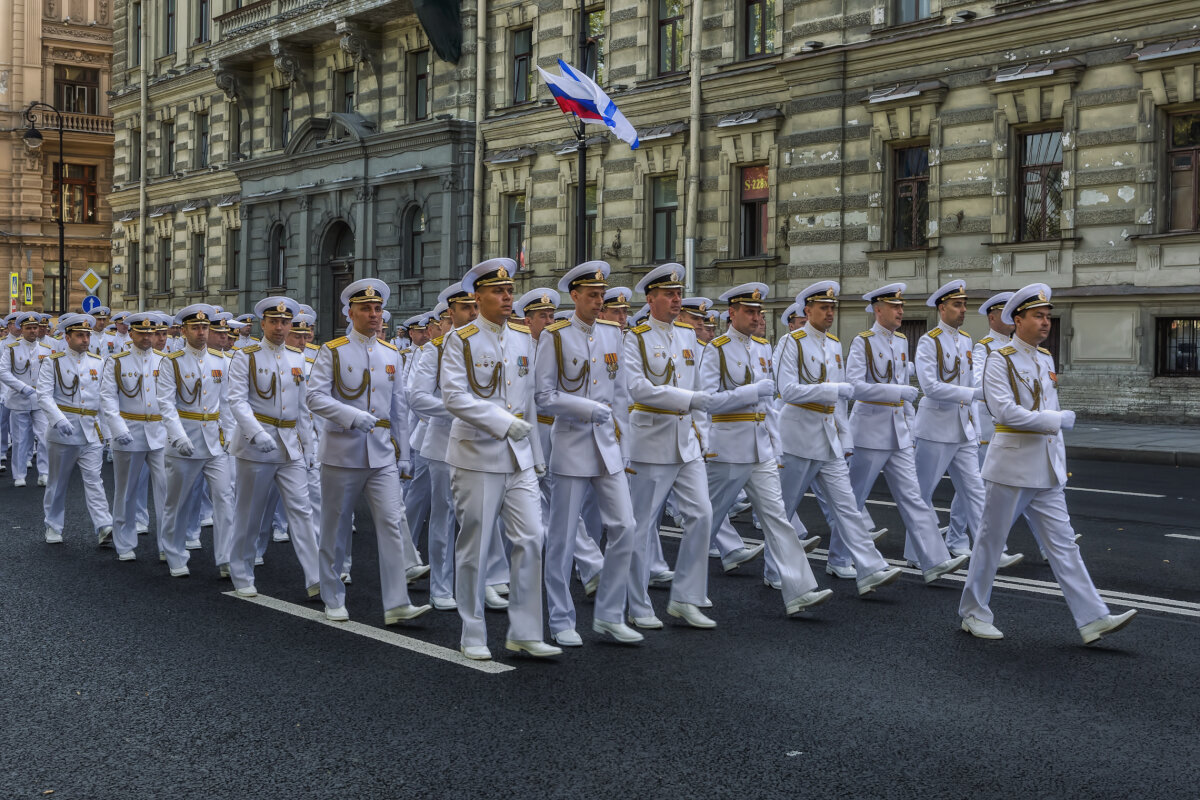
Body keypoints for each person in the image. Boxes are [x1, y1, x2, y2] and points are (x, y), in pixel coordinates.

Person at [959, 283, 1136, 644]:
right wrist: (1055, 420)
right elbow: (1004, 411)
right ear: (1017, 319)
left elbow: (1043, 406)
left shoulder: (1044, 359)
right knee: (990, 543)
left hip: (1046, 467)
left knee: (1064, 544)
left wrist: (1054, 430)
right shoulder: (1000, 358)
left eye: (1048, 316)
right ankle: (974, 613)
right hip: (1011, 465)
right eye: (1038, 316)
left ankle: (1092, 618)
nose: (1045, 322)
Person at [440, 258, 560, 661]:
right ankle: (472, 631)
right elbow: (455, 397)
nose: (506, 298)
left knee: (531, 538)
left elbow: (527, 402)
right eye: (497, 291)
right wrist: (503, 424)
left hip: (520, 457)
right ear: (478, 296)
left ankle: (525, 630)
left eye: (509, 291)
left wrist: (537, 455)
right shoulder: (461, 339)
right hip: (477, 455)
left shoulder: (525, 338)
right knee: (475, 545)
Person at [700, 283, 834, 616]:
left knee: (778, 520)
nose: (756, 317)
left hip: (760, 449)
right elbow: (707, 401)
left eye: (759, 311)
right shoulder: (716, 349)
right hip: (727, 449)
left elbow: (770, 405)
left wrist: (777, 443)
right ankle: (685, 591)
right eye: (749, 311)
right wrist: (748, 393)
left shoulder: (762, 347)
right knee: (705, 523)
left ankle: (799, 591)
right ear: (732, 313)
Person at [306, 279, 430, 625]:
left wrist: (404, 453)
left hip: (381, 454)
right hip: (342, 452)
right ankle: (332, 595)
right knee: (335, 525)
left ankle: (396, 602)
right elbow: (314, 397)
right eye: (366, 309)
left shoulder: (391, 354)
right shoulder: (333, 350)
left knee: (391, 523)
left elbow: (399, 407)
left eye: (377, 309)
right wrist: (351, 416)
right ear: (351, 312)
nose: (374, 315)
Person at [536, 261, 644, 646]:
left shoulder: (615, 334)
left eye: (602, 295)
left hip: (608, 447)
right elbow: (544, 396)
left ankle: (610, 614)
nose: (600, 302)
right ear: (575, 297)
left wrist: (625, 446)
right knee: (563, 539)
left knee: (625, 528)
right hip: (571, 444)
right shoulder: (556, 336)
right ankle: (562, 619)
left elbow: (620, 396)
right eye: (593, 296)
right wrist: (585, 409)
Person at [776, 281, 902, 597]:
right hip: (797, 436)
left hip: (829, 437)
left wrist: (845, 438)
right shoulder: (791, 343)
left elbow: (841, 403)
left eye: (832, 307)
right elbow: (787, 390)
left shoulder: (833, 344)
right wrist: (831, 390)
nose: (830, 312)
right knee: (785, 511)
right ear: (807, 310)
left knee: (847, 507)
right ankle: (774, 569)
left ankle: (870, 569)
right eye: (823, 307)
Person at [843, 283, 969, 585]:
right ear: (878, 310)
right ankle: (839, 558)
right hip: (869, 431)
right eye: (894, 307)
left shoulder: (900, 341)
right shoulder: (863, 342)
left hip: (898, 433)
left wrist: (911, 428)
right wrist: (896, 391)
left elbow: (907, 395)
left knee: (914, 498)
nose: (901, 311)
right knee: (853, 501)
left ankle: (933, 559)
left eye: (901, 306)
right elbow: (854, 386)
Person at [913, 281, 1023, 568]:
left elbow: (967, 388)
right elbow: (930, 387)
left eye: (964, 305)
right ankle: (917, 554)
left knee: (975, 491)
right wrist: (973, 394)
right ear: (942, 308)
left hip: (962, 428)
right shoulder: (930, 341)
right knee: (921, 494)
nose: (963, 310)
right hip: (934, 427)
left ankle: (991, 552)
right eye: (957, 305)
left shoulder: (964, 341)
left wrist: (973, 426)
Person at [225, 296, 322, 600]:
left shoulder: (297, 357)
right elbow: (236, 400)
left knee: (302, 512)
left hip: (289, 445)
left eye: (285, 322)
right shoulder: (247, 356)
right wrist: (255, 432)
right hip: (257, 447)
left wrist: (309, 448)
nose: (280, 327)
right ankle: (241, 572)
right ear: (263, 324)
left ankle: (317, 576)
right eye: (274, 322)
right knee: (249, 513)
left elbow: (303, 408)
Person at [408, 282, 480, 611]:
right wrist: (457, 410)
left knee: (478, 517)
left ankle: (476, 581)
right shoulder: (434, 351)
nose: (474, 313)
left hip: (482, 441)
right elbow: (417, 397)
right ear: (450, 314)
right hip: (443, 439)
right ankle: (440, 584)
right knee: (444, 515)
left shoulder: (489, 345)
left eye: (476, 306)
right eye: (466, 308)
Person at [156, 304, 236, 578]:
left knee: (225, 498)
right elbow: (165, 403)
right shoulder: (172, 361)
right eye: (196, 328)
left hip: (215, 443)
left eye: (205, 327)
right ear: (184, 330)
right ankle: (175, 553)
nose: (202, 332)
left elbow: (226, 403)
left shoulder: (221, 360)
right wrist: (177, 436)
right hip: (185, 442)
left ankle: (226, 557)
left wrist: (231, 435)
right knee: (177, 502)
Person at [37, 313, 114, 545]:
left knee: (94, 480)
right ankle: (53, 525)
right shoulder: (54, 361)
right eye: (80, 335)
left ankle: (104, 525)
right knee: (58, 483)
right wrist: (58, 419)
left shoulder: (97, 362)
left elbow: (103, 400)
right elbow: (43, 394)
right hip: (63, 432)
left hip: (91, 431)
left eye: (87, 335)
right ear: (67, 337)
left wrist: (109, 433)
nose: (85, 340)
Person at [99, 312, 168, 561]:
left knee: (166, 491)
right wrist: (117, 429)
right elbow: (107, 398)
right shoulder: (116, 361)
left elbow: (173, 399)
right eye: (142, 333)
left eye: (151, 333)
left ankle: (167, 545)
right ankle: (124, 542)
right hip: (129, 432)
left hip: (160, 433)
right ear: (132, 333)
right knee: (126, 491)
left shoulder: (165, 360)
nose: (148, 337)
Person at [0, 312, 49, 487]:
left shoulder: (46, 350)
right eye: (29, 328)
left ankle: (44, 472)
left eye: (35, 328)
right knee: (20, 439)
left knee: (44, 437)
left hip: (40, 400)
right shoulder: (12, 348)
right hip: (19, 399)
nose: (33, 331)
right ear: (22, 329)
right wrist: (22, 387)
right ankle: (19, 474)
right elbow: (3, 372)